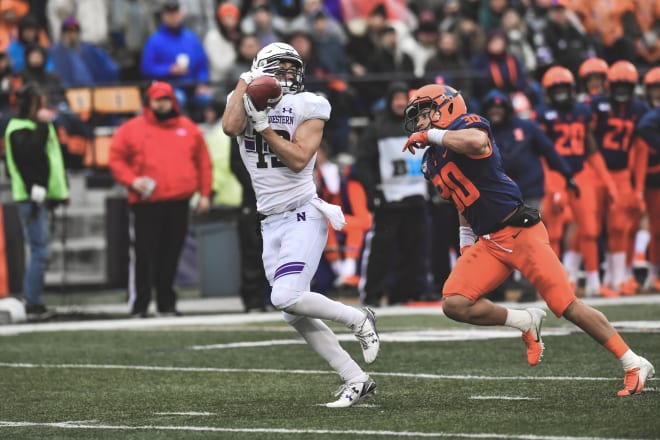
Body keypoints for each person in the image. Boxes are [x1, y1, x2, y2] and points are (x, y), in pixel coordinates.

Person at [401, 82, 655, 397]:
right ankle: (524, 321)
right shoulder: (431, 160)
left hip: (521, 232)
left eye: (423, 114)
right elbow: (460, 202)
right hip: (489, 242)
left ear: (446, 107)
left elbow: (477, 143)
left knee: (567, 306)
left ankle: (633, 362)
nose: (420, 122)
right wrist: (466, 243)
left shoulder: (467, 125)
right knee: (454, 303)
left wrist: (430, 135)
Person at [222, 41, 380, 408]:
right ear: (261, 69)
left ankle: (359, 318)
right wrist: (245, 85)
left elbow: (297, 159)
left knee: (285, 296)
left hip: (302, 213)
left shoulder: (310, 104)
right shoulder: (243, 95)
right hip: (269, 221)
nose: (288, 75)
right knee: (292, 313)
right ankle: (355, 378)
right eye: (279, 68)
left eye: (293, 69)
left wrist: (263, 127)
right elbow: (230, 127)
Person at [109, 81, 212, 318]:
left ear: (172, 101)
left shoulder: (189, 128)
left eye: (165, 99)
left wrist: (205, 194)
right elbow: (115, 158)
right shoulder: (131, 129)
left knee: (171, 253)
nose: (161, 103)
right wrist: (132, 180)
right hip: (146, 203)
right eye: (157, 99)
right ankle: (140, 305)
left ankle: (167, 303)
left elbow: (203, 163)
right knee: (145, 254)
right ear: (149, 102)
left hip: (179, 201)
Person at [355, 81, 429, 307]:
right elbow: (362, 163)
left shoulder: (419, 126)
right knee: (381, 251)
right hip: (388, 200)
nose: (399, 102)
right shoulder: (376, 128)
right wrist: (372, 190)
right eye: (395, 98)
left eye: (402, 98)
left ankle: (404, 294)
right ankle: (372, 295)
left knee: (414, 250)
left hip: (417, 198)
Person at [4, 82, 68, 318]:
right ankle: (32, 301)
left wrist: (62, 191)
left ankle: (35, 300)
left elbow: (53, 160)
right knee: (39, 249)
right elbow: (29, 158)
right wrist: (36, 189)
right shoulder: (18, 128)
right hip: (31, 196)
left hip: (45, 195)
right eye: (40, 104)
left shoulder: (42, 126)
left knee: (42, 250)